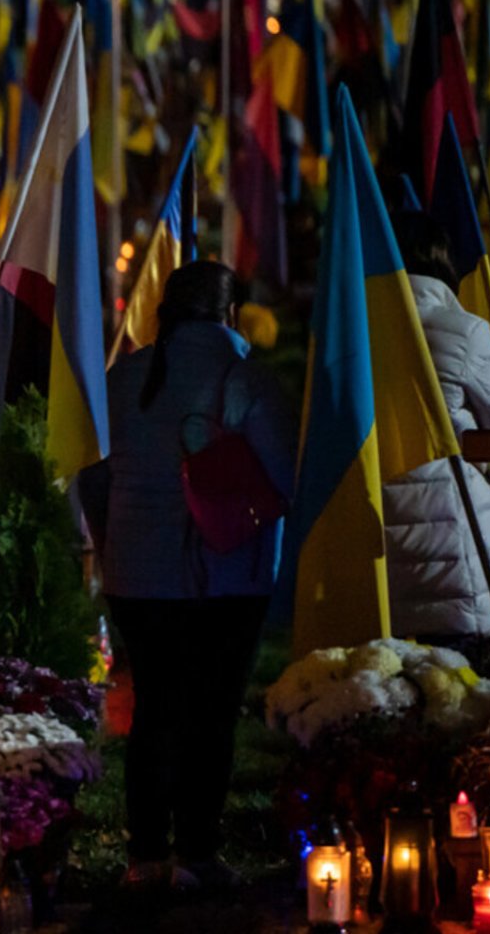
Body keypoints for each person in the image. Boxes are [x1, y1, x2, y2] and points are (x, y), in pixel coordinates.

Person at [78, 262, 296, 890]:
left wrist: (115, 541)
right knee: (212, 712)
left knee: (154, 708)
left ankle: (146, 855)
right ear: (230, 314)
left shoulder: (125, 377)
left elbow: (93, 474)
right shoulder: (245, 376)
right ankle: (198, 852)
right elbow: (283, 477)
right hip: (226, 577)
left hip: (138, 577)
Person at [383, 212, 490, 642]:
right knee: (463, 670)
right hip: (454, 527)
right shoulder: (465, 330)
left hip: (374, 525)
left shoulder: (356, 334)